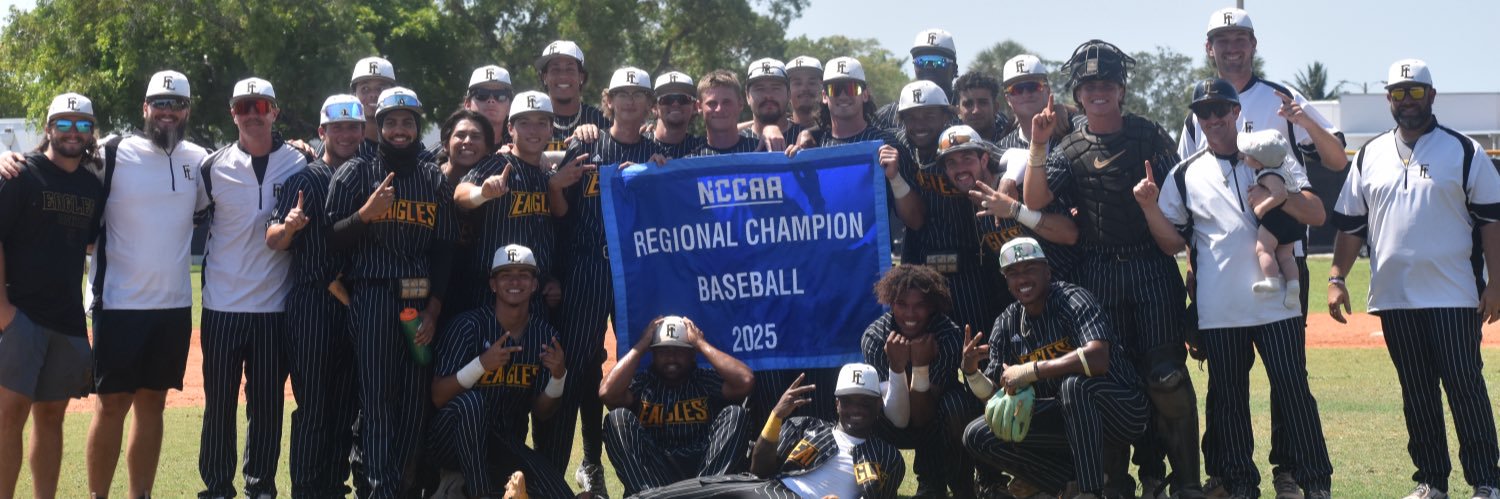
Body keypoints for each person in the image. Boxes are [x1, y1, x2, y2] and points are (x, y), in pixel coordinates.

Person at [1136, 76, 1333, 499]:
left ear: (1236, 112)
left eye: (1220, 110)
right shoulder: (1184, 174)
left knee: (1293, 391)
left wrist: (1279, 195)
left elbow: (1316, 213)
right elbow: (1173, 241)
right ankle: (1241, 484)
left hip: (1277, 302)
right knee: (1227, 402)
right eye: (1203, 112)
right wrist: (1151, 208)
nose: (1212, 119)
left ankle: (1315, 481)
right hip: (1220, 308)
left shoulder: (1269, 153)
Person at [1021, 39, 1200, 498]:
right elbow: (1035, 201)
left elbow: (1185, 210)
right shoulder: (1068, 146)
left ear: (1121, 89)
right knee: (1107, 382)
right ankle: (1115, 484)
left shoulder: (1148, 135)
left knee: (1166, 378)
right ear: (1078, 94)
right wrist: (1039, 144)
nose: (1098, 92)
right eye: (1089, 85)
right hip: (1097, 273)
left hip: (1151, 267)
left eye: (1107, 83)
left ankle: (1184, 483)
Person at [1329, 59, 1500, 499]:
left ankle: (1486, 481)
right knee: (1417, 393)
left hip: (1455, 295)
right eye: (1399, 93)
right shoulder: (1369, 154)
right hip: (1394, 297)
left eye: (1416, 92)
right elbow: (1351, 224)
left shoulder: (1464, 150)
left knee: (1465, 387)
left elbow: (1491, 223)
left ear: (1432, 96)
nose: (1407, 102)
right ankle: (1431, 482)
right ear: (1388, 98)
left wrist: (1496, 282)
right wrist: (1336, 275)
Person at [326, 86, 458, 498]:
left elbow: (444, 250)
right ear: (376, 125)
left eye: (408, 122)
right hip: (373, 296)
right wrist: (365, 215)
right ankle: (380, 489)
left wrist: (435, 310)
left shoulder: (432, 177)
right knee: (378, 399)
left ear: (418, 126)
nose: (400, 129)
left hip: (418, 300)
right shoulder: (356, 172)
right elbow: (330, 240)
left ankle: (402, 487)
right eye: (391, 122)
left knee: (413, 401)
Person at [543, 66, 667, 496]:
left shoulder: (657, 150)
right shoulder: (585, 141)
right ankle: (584, 463)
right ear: (608, 98)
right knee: (579, 365)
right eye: (622, 93)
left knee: (647, 360)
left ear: (649, 103)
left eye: (638, 94)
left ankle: (647, 459)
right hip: (588, 264)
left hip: (637, 268)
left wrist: (658, 176)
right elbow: (559, 212)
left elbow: (670, 212)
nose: (630, 101)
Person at [960, 237, 1148, 499]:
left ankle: (1089, 491)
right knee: (977, 435)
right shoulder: (1007, 322)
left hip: (1120, 411)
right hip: (1063, 418)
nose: (1022, 279)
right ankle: (1069, 484)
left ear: (1047, 271)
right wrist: (971, 373)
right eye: (1013, 273)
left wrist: (1030, 370)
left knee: (1074, 387)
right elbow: (997, 399)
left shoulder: (1072, 299)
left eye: (1029, 269)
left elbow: (1098, 359)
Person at [195, 77, 306, 499]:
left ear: (275, 110)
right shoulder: (213, 166)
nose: (252, 113)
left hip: (274, 306)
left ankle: (260, 485)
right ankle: (218, 485)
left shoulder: (300, 161)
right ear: (232, 113)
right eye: (244, 106)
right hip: (221, 305)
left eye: (261, 105)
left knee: (267, 405)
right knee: (219, 403)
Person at [0, 92, 104, 499]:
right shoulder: (20, 174)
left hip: (66, 319)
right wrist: (4, 310)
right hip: (20, 317)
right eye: (64, 124)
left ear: (91, 132)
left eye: (82, 125)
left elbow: (90, 244)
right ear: (48, 128)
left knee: (51, 418)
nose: (73, 132)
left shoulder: (91, 186)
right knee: (9, 418)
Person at [265, 94, 365, 498]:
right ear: (322, 132)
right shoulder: (304, 178)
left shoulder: (367, 174)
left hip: (355, 303)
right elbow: (273, 239)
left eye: (352, 127)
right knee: (314, 406)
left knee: (346, 405)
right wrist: (289, 227)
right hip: (312, 302)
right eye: (336, 127)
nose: (344, 134)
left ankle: (332, 485)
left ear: (362, 131)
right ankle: (307, 489)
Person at [427, 244, 574, 499]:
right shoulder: (467, 327)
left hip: (502, 442)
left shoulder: (545, 337)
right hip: (448, 443)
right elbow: (438, 396)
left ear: (535, 284)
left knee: (559, 492)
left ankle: (476, 486)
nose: (515, 281)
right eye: (506, 275)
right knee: (471, 403)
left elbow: (542, 411)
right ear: (493, 284)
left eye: (524, 274)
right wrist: (481, 365)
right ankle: (478, 492)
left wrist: (558, 377)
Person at [632, 364, 907, 499]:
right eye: (848, 401)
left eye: (865, 402)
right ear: (837, 404)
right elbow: (760, 468)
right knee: (709, 486)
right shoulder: (808, 426)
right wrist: (776, 416)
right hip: (771, 489)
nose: (855, 409)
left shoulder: (887, 455)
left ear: (878, 404)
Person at [599, 316, 754, 496]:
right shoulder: (644, 383)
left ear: (692, 353)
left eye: (679, 351)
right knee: (616, 419)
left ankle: (704, 496)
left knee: (736, 415)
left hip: (703, 471)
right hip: (656, 476)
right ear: (653, 353)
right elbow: (607, 393)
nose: (671, 357)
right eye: (663, 351)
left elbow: (745, 380)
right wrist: (642, 345)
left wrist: (701, 343)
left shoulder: (703, 380)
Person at [858, 264, 969, 497]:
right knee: (862, 404)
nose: (910, 314)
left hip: (933, 420)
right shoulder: (875, 338)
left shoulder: (948, 335)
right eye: (902, 305)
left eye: (920, 305)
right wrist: (897, 368)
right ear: (890, 303)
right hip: (890, 421)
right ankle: (874, 483)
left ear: (933, 307)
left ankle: (957, 484)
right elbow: (898, 419)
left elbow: (922, 417)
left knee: (956, 403)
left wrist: (920, 366)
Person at [1239, 128, 1303, 309]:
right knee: (1285, 256)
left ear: (1259, 161)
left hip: (1276, 218)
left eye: (1248, 155)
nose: (1245, 157)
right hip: (1292, 220)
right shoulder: (1282, 167)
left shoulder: (1268, 174)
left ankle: (1271, 280)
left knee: (1263, 249)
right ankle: (1293, 287)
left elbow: (1280, 194)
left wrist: (1261, 208)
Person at [874, 28, 963, 132]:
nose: (929, 67)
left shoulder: (969, 109)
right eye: (921, 61)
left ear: (954, 68)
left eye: (938, 61)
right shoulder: (889, 114)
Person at [537, 40, 610, 150]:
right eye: (555, 69)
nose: (563, 76)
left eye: (570, 69)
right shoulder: (530, 121)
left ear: (581, 77)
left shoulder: (601, 120)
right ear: (544, 77)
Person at [687, 70, 762, 156]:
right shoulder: (689, 161)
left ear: (740, 103)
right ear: (699, 107)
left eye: (726, 102)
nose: (719, 109)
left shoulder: (763, 150)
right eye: (712, 103)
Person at [740, 57, 799, 152]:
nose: (768, 96)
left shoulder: (808, 139)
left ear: (789, 94)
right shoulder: (735, 142)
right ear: (747, 96)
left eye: (776, 88)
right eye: (759, 89)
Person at [646, 71, 702, 159]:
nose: (675, 104)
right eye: (667, 99)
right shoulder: (635, 145)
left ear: (695, 107)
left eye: (683, 99)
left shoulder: (703, 149)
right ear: (654, 108)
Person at [784, 56, 823, 130]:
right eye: (798, 83)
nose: (805, 88)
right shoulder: (776, 134)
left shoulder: (835, 130)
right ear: (787, 91)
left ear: (822, 88)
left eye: (811, 83)